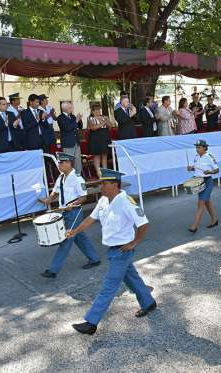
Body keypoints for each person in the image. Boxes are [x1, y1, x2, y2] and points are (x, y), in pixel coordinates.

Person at [67, 168, 157, 335]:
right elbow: (90, 219)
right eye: (101, 183)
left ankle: (91, 322)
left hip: (123, 251)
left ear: (115, 185)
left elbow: (143, 223)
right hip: (113, 250)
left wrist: (134, 242)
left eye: (105, 183)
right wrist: (75, 231)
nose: (101, 186)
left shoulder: (126, 202)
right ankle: (148, 302)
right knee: (132, 278)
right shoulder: (103, 200)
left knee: (108, 287)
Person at [38, 152, 101, 278]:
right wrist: (48, 200)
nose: (59, 165)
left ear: (68, 163)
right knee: (79, 237)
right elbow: (55, 192)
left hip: (74, 212)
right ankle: (94, 259)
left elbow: (83, 197)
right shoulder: (61, 178)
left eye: (61, 163)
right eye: (59, 163)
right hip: (64, 213)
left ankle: (53, 270)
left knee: (66, 240)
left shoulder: (77, 178)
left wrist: (73, 204)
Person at [187, 140, 219, 233]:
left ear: (204, 147)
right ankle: (214, 220)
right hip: (198, 182)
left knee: (200, 203)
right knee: (207, 202)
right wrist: (191, 168)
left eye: (199, 147)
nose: (197, 149)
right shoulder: (196, 157)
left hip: (207, 181)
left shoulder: (209, 157)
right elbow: (195, 168)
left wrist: (209, 172)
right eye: (196, 147)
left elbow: (217, 170)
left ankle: (194, 226)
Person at [57, 101, 84, 174]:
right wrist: (76, 121)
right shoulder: (60, 118)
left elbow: (79, 126)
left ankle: (78, 177)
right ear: (64, 108)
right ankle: (69, 178)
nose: (71, 109)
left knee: (78, 161)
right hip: (68, 144)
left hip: (76, 142)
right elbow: (67, 128)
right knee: (68, 163)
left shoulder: (72, 116)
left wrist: (80, 120)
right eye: (70, 107)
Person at [87, 103, 112, 178]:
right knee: (97, 156)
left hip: (104, 137)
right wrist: (103, 122)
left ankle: (105, 172)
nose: (98, 111)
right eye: (97, 110)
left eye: (99, 110)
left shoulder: (104, 117)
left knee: (104, 155)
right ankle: (99, 173)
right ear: (93, 111)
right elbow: (93, 127)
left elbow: (110, 126)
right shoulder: (90, 118)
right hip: (95, 138)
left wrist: (106, 121)